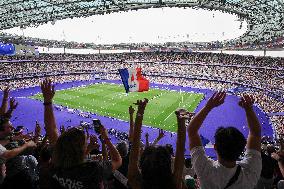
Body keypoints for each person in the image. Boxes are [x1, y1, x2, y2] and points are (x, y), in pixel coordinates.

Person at [40, 78, 122, 188]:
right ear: (81, 149)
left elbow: (51, 129)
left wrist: (47, 101)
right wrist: (106, 138)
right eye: (85, 142)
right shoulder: (93, 170)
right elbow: (117, 160)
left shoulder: (57, 161)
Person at [188, 92, 262, 189]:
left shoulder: (205, 170)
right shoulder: (250, 174)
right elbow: (255, 134)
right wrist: (249, 109)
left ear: (215, 147)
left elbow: (191, 130)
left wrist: (208, 106)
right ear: (241, 150)